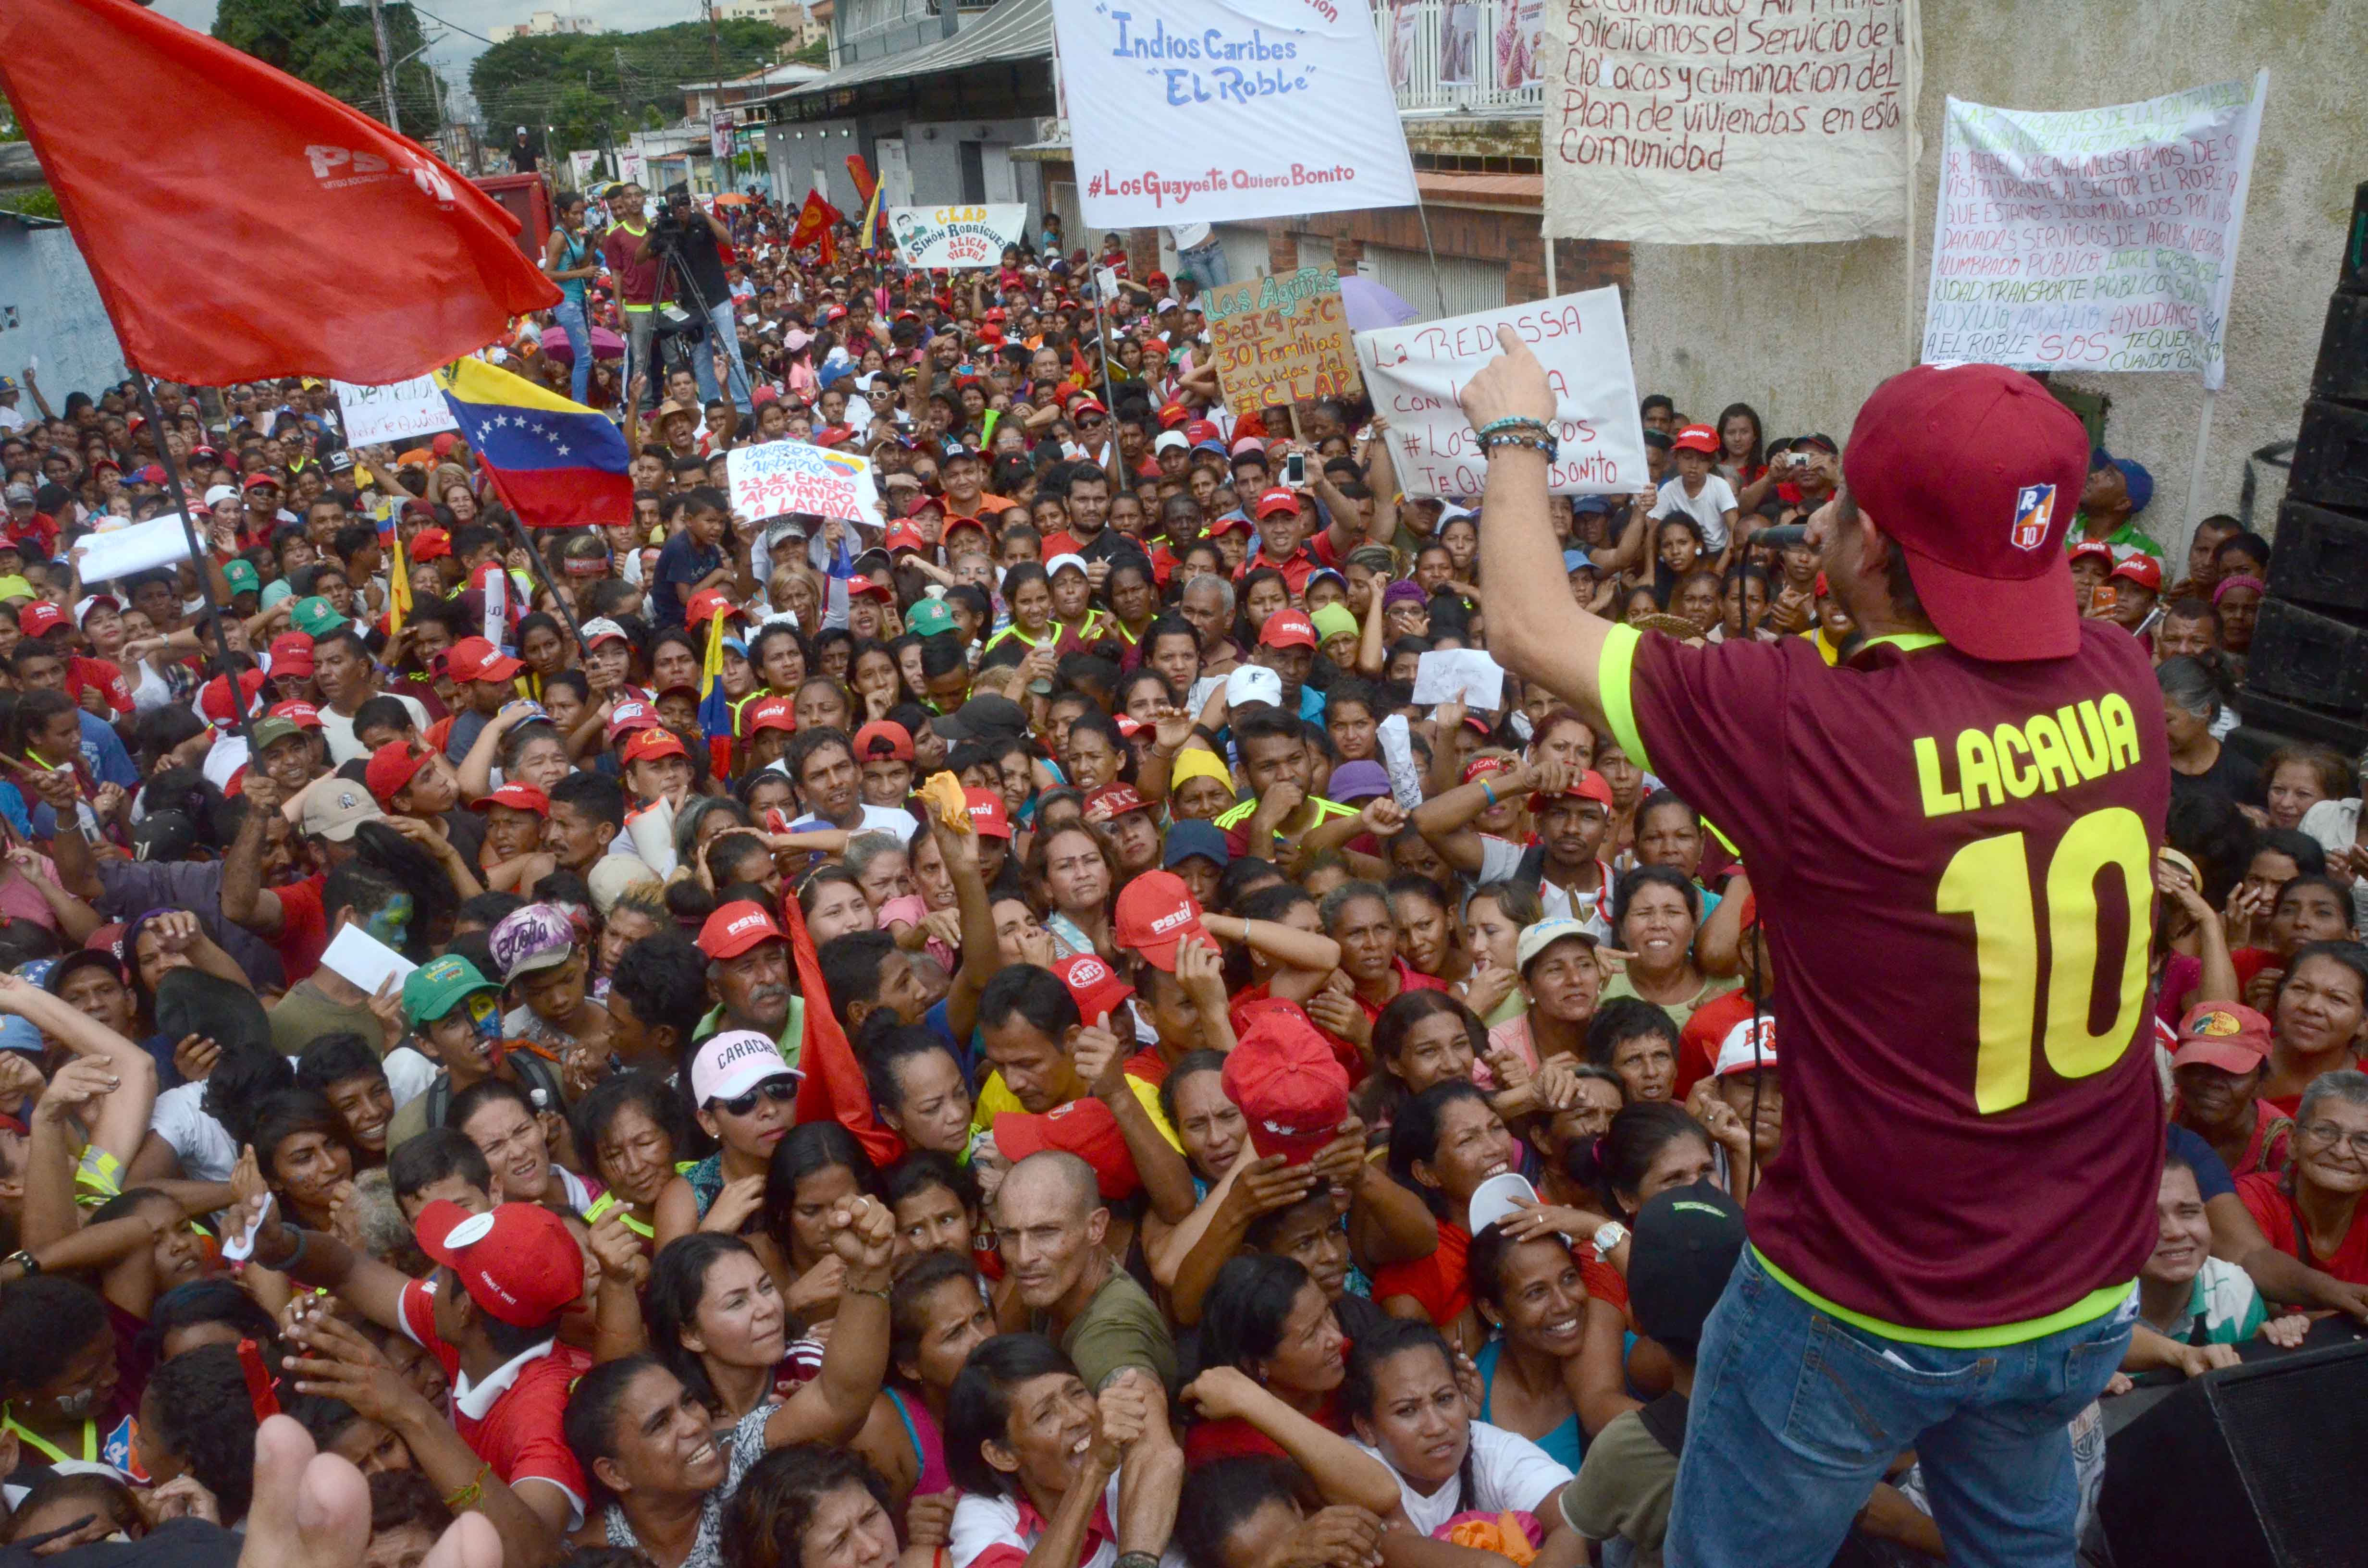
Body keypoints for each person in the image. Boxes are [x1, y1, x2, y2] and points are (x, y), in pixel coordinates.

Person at [1465, 340, 2167, 1564]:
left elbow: (1528, 622)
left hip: (1869, 1305)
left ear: (1874, 552)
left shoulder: (1817, 725)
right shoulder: (2122, 678)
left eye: (1839, 503)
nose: (1822, 522)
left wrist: (1515, 431)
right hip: (2083, 1287)